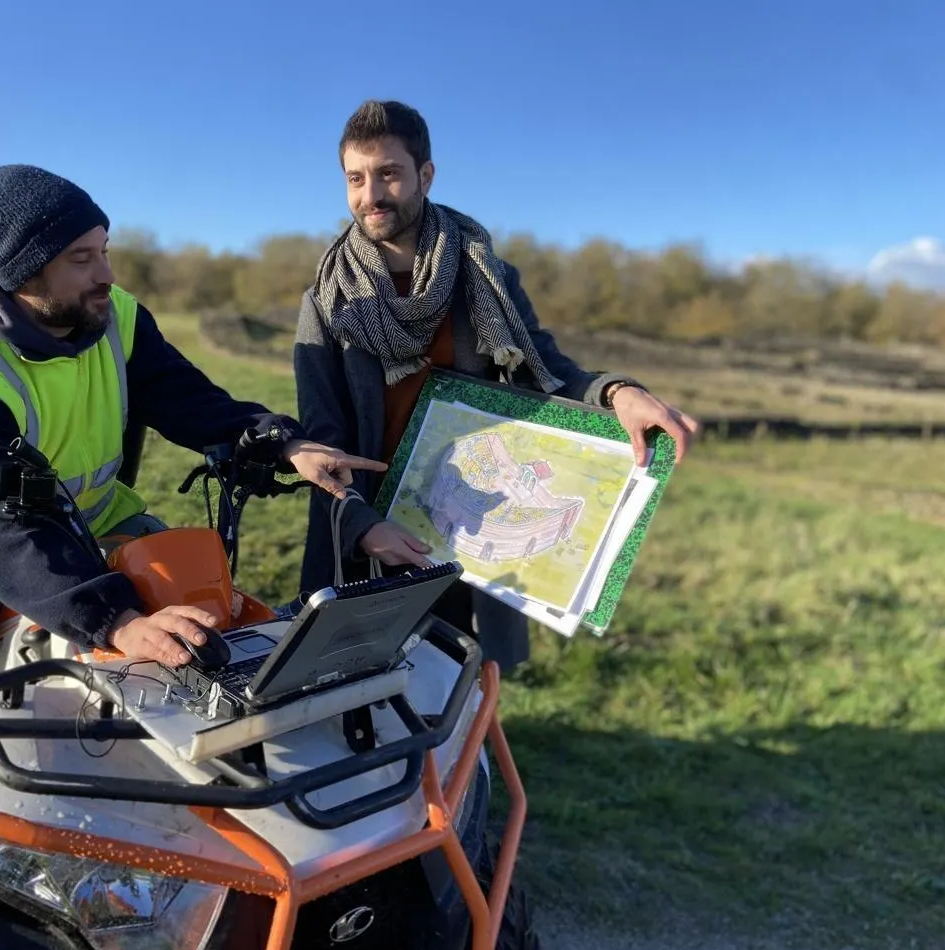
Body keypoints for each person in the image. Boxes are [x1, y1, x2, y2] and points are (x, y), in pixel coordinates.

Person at [0, 164, 384, 711]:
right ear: (21, 272)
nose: (107, 274)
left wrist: (282, 443)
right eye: (81, 259)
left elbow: (188, 399)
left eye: (104, 251)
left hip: (98, 516)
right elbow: (6, 534)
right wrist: (115, 621)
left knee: (208, 612)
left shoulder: (114, 315)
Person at [294, 100, 699, 671]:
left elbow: (545, 368)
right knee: (361, 695)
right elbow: (321, 436)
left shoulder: (486, 278)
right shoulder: (329, 300)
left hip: (474, 534)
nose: (371, 195)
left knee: (466, 687)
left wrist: (617, 393)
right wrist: (361, 526)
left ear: (425, 175)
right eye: (356, 179)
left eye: (388, 173)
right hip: (368, 536)